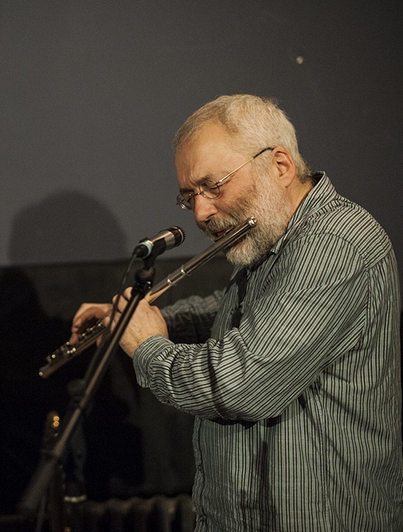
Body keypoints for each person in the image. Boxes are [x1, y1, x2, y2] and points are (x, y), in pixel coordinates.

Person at [71, 94, 403, 530]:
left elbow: (238, 385)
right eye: (190, 197)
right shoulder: (275, 231)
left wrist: (147, 345)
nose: (201, 212)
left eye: (214, 186)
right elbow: (238, 310)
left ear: (279, 165)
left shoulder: (335, 244)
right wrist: (151, 318)